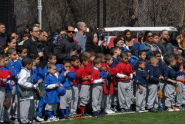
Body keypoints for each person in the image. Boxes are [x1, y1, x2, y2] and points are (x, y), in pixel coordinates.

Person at [17, 57, 37, 124]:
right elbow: (20, 82)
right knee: (24, 108)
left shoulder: (27, 71)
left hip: (28, 94)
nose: (32, 66)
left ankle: (27, 120)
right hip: (24, 94)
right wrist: (31, 85)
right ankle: (24, 121)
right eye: (31, 64)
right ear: (27, 65)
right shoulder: (23, 72)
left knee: (28, 107)